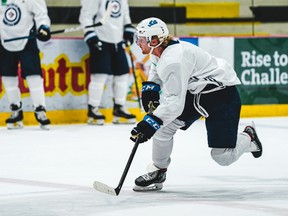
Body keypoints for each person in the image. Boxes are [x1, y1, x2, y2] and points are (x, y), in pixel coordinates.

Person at [130, 17, 263, 192]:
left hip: (222, 97)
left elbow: (174, 103)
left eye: (141, 39)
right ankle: (158, 170)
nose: (137, 43)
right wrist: (152, 86)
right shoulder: (161, 50)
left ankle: (249, 137)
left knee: (222, 157)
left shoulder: (173, 60)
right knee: (164, 128)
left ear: (154, 40)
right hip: (196, 94)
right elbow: (156, 64)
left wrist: (150, 122)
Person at [79, 0, 136, 125]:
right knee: (99, 76)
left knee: (122, 75)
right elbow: (86, 15)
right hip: (100, 38)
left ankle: (119, 108)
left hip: (117, 40)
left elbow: (125, 14)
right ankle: (93, 109)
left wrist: (128, 30)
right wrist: (90, 34)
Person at [0, 0, 51, 130]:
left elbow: (41, 13)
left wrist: (43, 27)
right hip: (4, 40)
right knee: (7, 76)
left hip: (27, 38)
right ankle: (15, 110)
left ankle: (40, 110)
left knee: (33, 76)